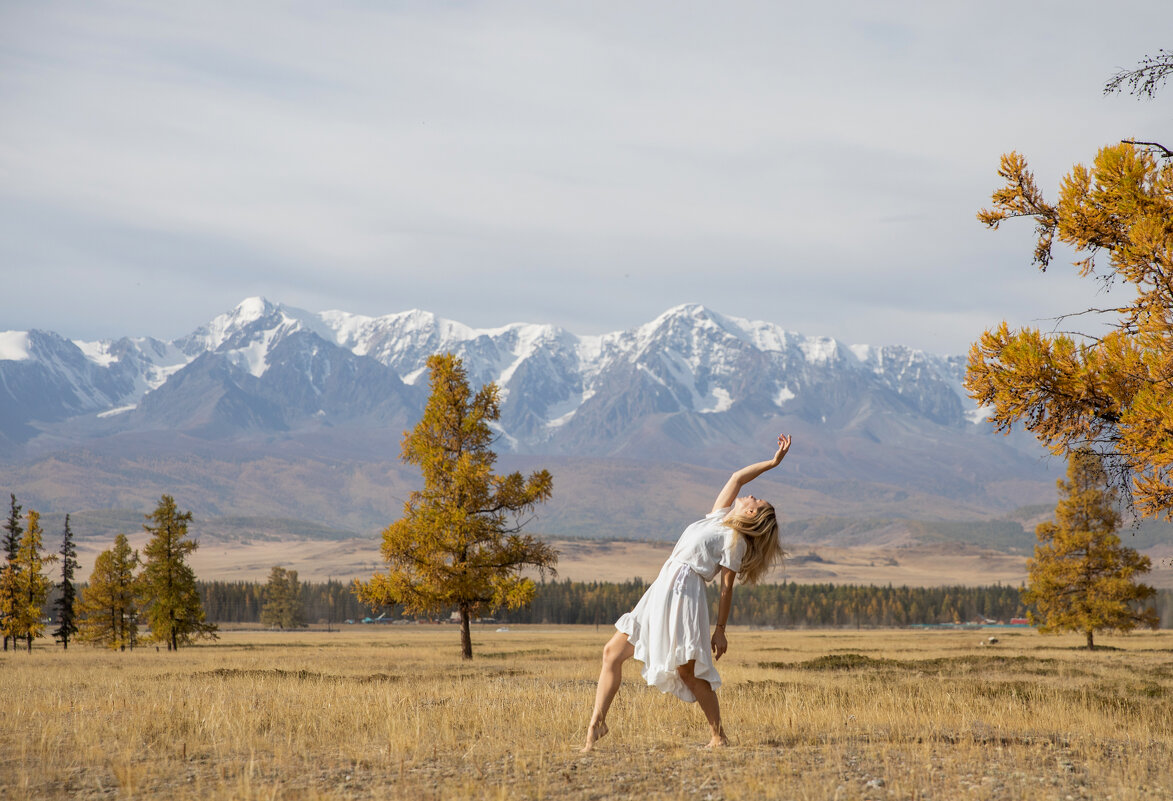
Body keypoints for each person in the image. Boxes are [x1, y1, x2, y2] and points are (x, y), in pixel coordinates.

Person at [581, 434, 791, 751]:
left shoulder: (734, 541)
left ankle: (718, 736)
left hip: (684, 595)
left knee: (687, 672)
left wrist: (720, 630)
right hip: (662, 587)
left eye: (755, 501)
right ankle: (597, 725)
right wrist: (772, 463)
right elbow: (737, 477)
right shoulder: (719, 516)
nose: (751, 496)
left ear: (751, 515)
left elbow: (726, 589)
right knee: (612, 653)